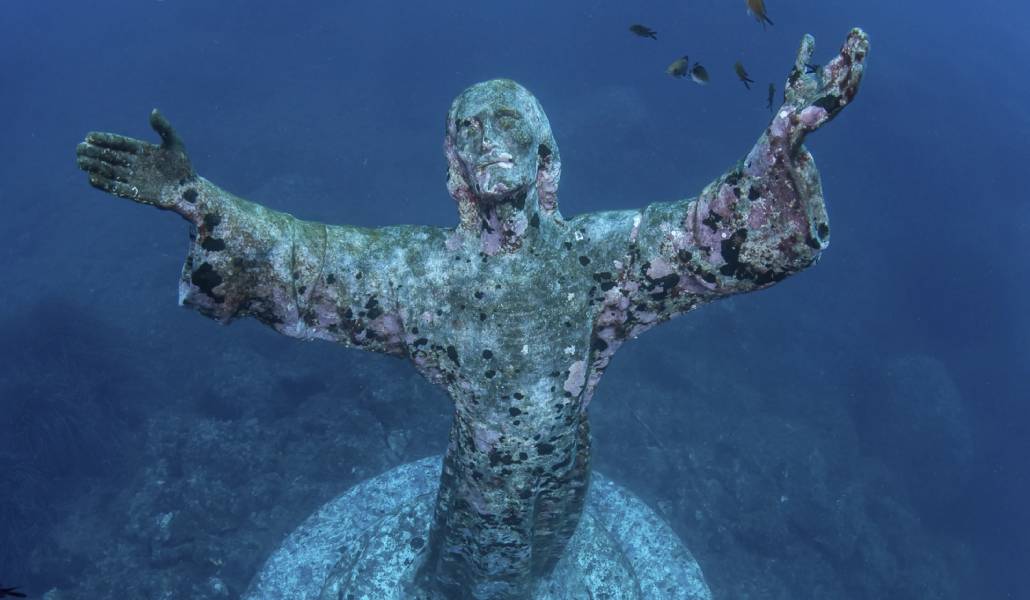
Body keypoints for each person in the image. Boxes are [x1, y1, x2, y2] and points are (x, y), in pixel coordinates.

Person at [76, 30, 868, 600]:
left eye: (508, 125)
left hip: (568, 460)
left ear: (544, 156)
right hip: (482, 491)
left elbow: (705, 235)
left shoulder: (599, 257)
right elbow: (306, 262)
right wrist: (195, 195)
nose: (491, 140)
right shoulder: (424, 276)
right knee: (475, 581)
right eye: (472, 130)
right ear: (453, 160)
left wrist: (778, 145)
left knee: (559, 549)